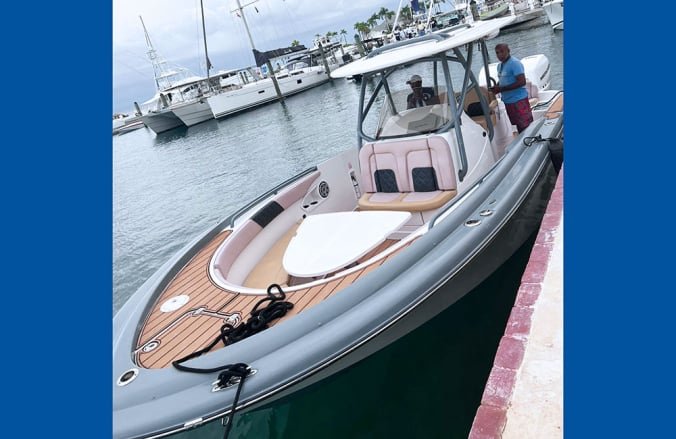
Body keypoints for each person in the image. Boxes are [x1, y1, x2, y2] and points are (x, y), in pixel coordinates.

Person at [489, 43, 534, 133]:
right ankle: (523, 143)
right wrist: (496, 87)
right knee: (517, 124)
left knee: (525, 125)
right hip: (508, 101)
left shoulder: (515, 63)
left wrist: (501, 89)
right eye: (497, 53)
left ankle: (529, 142)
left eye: (502, 52)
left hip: (518, 100)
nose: (499, 55)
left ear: (508, 51)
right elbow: (502, 79)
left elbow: (522, 82)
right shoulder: (499, 66)